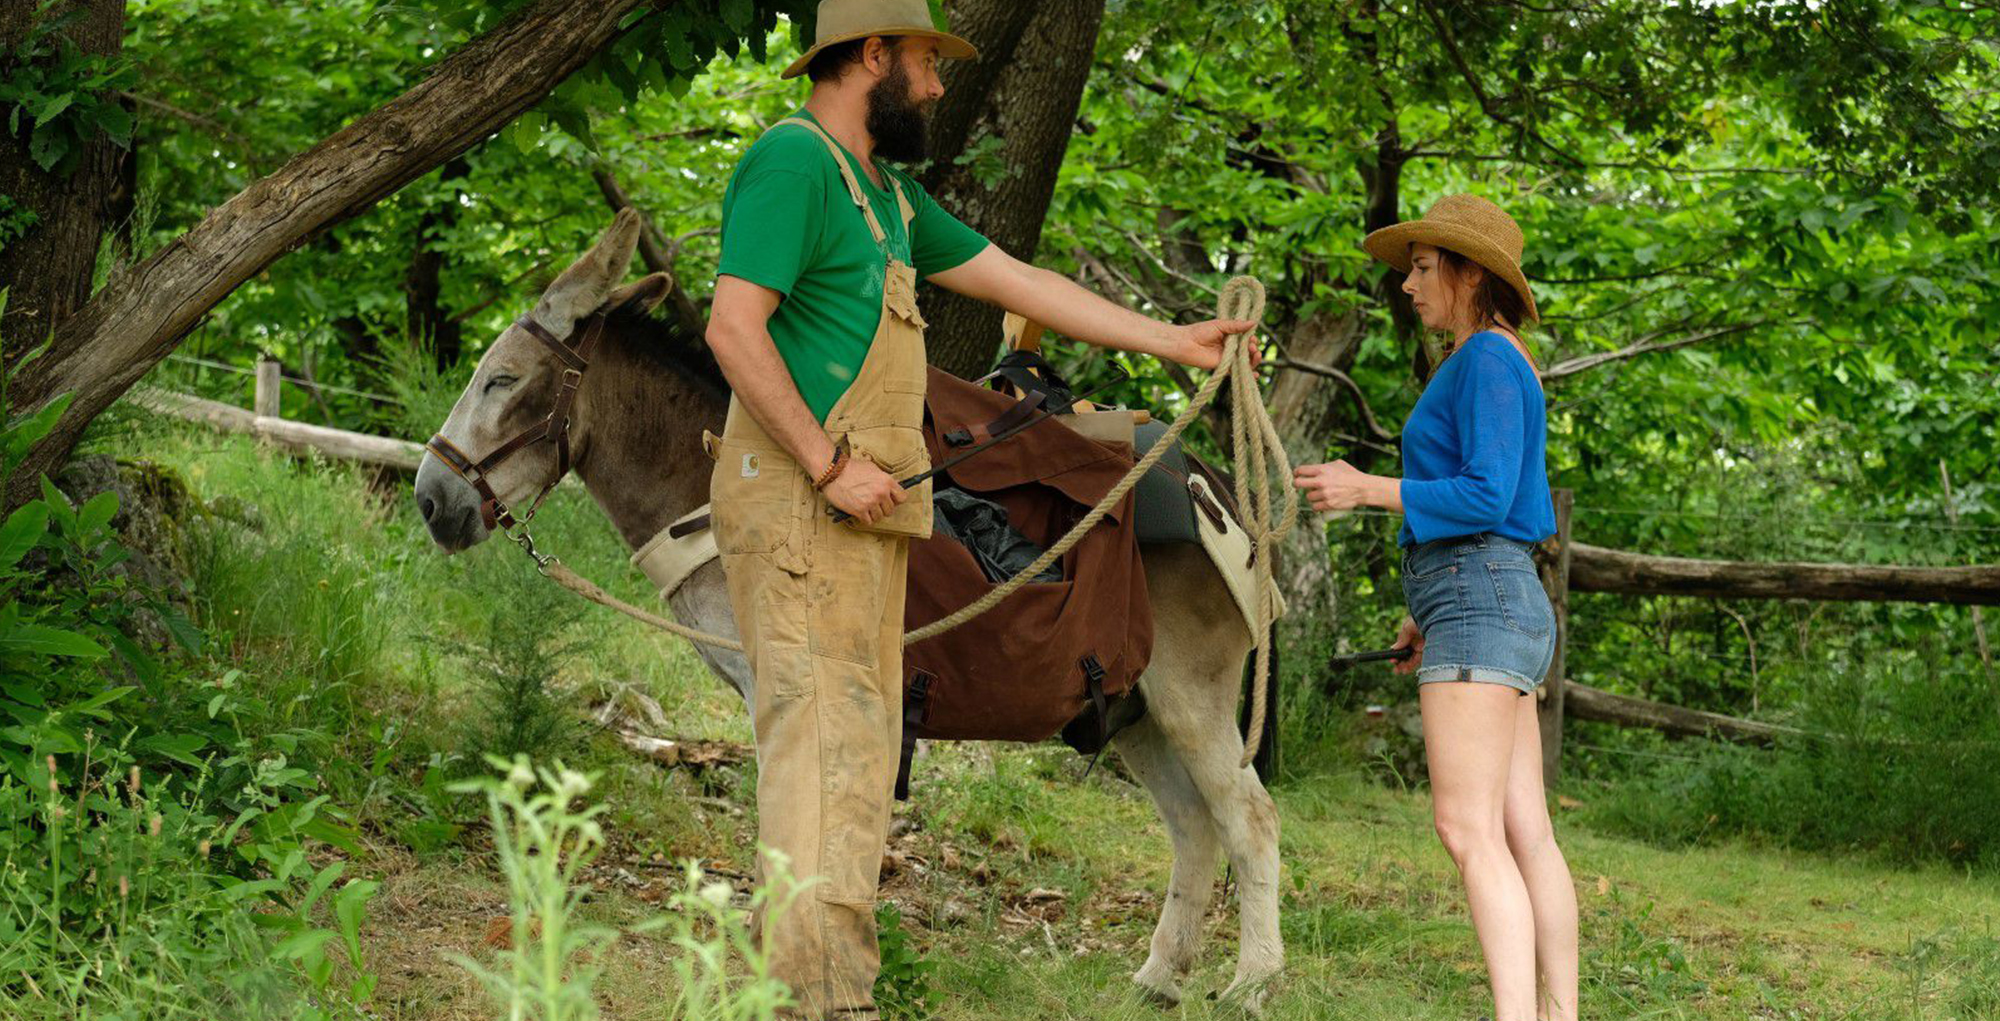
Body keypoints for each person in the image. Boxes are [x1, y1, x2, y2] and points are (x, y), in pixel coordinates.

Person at [702, 2, 1259, 1016]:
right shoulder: (790, 162)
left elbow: (1019, 280)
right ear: (870, 57)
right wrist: (827, 466)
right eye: (923, 62)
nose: (936, 83)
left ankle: (837, 994)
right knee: (818, 751)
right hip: (801, 510)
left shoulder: (884, 195)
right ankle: (803, 999)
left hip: (865, 520)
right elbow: (733, 329)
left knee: (859, 754)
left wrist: (1171, 342)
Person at [1291, 194, 1580, 1021]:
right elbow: (1499, 499)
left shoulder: (1486, 358)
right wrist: (1427, 608)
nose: (1409, 285)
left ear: (1470, 272)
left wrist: (1366, 487)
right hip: (1489, 597)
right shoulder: (1499, 358)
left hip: (1481, 596)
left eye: (1423, 267)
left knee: (1468, 830)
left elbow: (1488, 492)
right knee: (1525, 830)